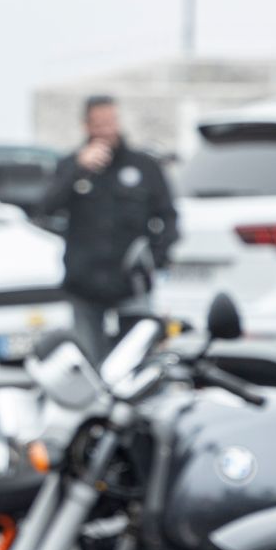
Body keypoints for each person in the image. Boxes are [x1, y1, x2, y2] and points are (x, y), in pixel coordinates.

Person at [44, 95, 176, 362]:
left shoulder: (143, 166)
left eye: (111, 122)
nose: (106, 130)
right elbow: (46, 207)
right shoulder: (71, 165)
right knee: (89, 362)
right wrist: (78, 170)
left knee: (133, 360)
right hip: (85, 283)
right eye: (99, 123)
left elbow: (168, 216)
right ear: (87, 126)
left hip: (131, 283)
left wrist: (156, 259)